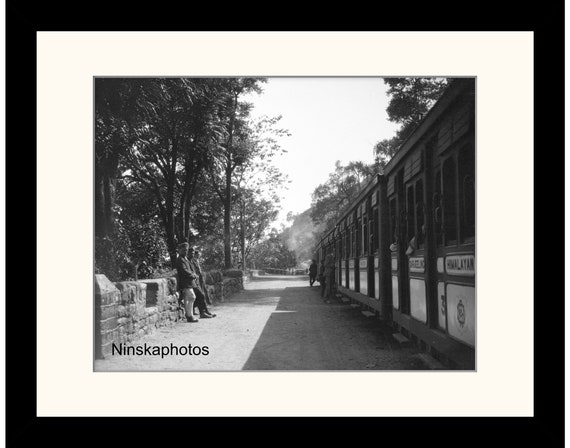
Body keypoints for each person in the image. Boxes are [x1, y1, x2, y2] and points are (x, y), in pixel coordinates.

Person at [188, 246, 216, 318]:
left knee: (201, 295)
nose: (192, 254)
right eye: (191, 253)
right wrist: (194, 276)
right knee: (201, 295)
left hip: (195, 281)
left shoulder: (191, 261)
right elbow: (189, 272)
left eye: (193, 253)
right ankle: (202, 312)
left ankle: (205, 311)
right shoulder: (188, 261)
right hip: (190, 283)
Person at [175, 242, 200, 323]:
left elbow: (190, 269)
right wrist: (193, 275)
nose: (185, 252)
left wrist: (194, 274)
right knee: (192, 297)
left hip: (189, 281)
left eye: (186, 250)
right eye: (183, 250)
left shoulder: (185, 259)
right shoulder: (180, 259)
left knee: (187, 298)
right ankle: (189, 315)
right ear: (179, 250)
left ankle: (189, 315)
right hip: (185, 282)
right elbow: (184, 270)